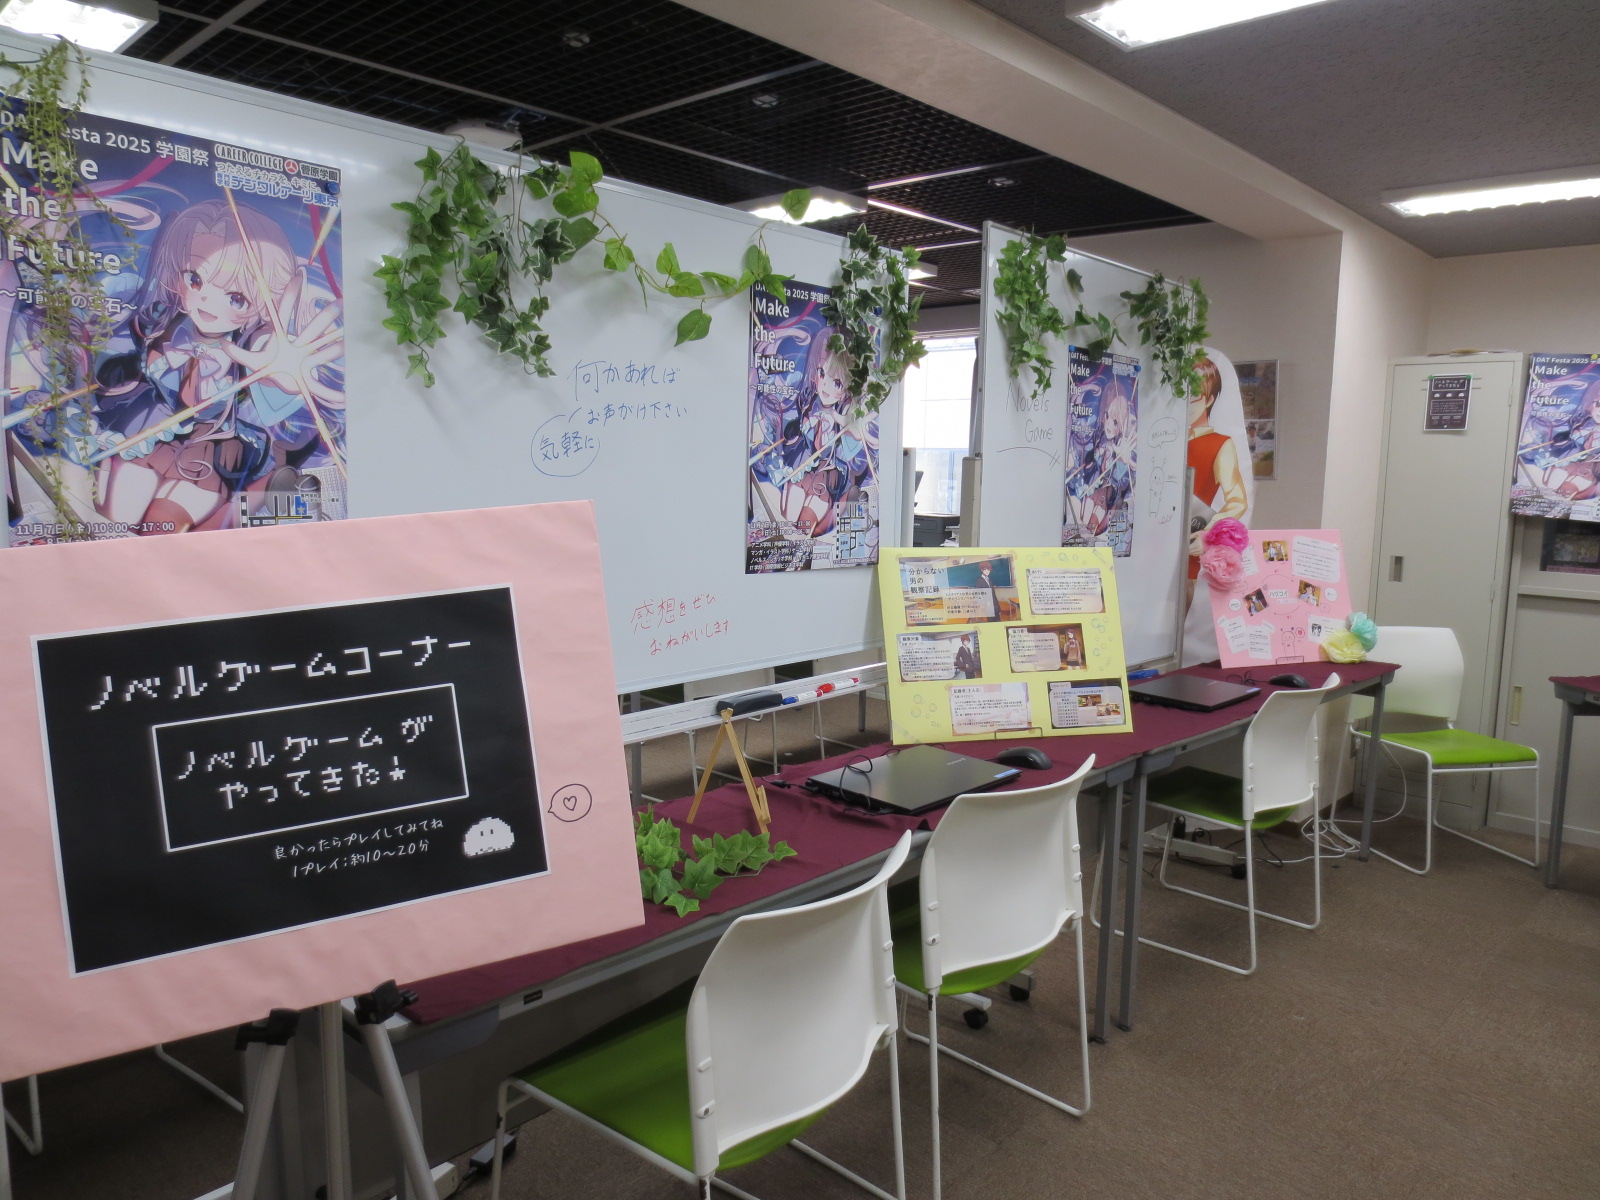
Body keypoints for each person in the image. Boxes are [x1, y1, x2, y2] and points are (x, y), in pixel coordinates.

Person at [95, 198, 344, 534]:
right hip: (149, 434)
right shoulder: (161, 325)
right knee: (118, 519)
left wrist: (278, 379)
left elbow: (269, 384)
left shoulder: (252, 348)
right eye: (195, 280)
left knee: (161, 528)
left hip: (210, 452)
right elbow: (116, 368)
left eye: (236, 298)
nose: (207, 301)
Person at [1186, 356, 1248, 579]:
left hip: (1189, 543)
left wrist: (1207, 531)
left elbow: (1238, 500)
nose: (1186, 403)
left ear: (1209, 399)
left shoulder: (1220, 444)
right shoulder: (1166, 440)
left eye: (1193, 396)